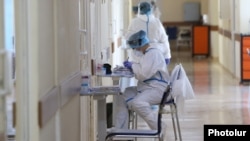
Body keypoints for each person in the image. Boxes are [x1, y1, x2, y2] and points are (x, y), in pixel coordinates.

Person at [115, 30, 169, 130]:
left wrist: (133, 65)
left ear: (140, 43)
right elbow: (144, 69)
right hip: (149, 87)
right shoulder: (148, 53)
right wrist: (133, 65)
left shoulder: (152, 53)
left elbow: (143, 74)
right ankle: (121, 130)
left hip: (157, 89)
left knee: (137, 103)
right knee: (123, 95)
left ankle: (159, 127)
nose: (135, 50)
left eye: (135, 48)